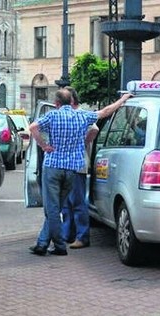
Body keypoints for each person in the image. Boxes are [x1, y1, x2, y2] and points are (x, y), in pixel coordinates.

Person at [29, 88, 133, 256]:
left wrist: (44, 145)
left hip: (53, 166)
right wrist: (123, 100)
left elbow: (33, 127)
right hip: (72, 168)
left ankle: (59, 245)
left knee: (52, 209)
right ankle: (42, 243)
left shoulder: (52, 116)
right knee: (59, 206)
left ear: (56, 103)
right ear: (71, 101)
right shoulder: (82, 116)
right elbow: (105, 112)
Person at [60, 87, 99, 249]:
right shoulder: (71, 114)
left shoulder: (81, 114)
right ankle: (68, 234)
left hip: (78, 164)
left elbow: (94, 129)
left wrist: (82, 142)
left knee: (77, 201)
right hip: (68, 164)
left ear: (71, 100)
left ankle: (82, 236)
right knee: (67, 203)